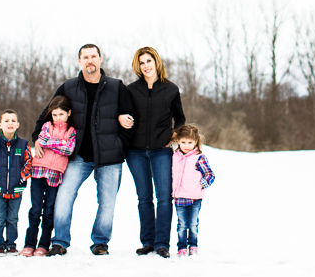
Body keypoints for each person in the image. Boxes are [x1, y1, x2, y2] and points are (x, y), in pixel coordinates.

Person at [31, 43, 135, 256]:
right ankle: (59, 242)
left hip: (109, 157)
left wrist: (120, 145)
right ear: (79, 61)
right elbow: (48, 112)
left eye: (93, 56)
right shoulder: (69, 87)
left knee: (107, 204)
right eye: (85, 57)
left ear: (100, 59)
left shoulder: (117, 87)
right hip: (77, 156)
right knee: (64, 197)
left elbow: (131, 120)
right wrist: (36, 138)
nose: (90, 60)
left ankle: (100, 242)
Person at [121, 46, 186, 258]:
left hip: (161, 150)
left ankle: (162, 244)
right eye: (141, 62)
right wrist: (121, 118)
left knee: (164, 198)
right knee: (144, 198)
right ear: (137, 66)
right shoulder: (131, 90)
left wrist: (174, 135)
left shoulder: (171, 89)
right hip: (136, 151)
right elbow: (123, 114)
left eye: (149, 60)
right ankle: (147, 242)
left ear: (156, 62)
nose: (146, 65)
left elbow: (180, 118)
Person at [20, 96, 76, 257]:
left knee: (49, 210)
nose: (57, 117)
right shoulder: (46, 126)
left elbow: (69, 150)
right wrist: (60, 143)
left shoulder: (71, 131)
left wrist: (51, 142)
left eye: (61, 114)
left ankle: (43, 245)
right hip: (38, 171)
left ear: (68, 113)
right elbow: (42, 140)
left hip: (55, 174)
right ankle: (29, 244)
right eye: (54, 114)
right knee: (35, 209)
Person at [0, 109, 33, 256]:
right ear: (0, 125)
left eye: (13, 121)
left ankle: (11, 244)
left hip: (16, 190)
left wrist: (21, 178)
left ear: (17, 124)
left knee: (12, 218)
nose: (10, 123)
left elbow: (29, 162)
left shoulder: (23, 144)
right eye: (6, 120)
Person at [171, 124, 215, 258]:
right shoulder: (174, 156)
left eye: (190, 142)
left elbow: (209, 175)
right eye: (183, 142)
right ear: (178, 141)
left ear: (196, 142)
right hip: (179, 197)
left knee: (193, 223)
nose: (186, 145)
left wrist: (200, 185)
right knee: (182, 224)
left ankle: (193, 246)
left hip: (195, 198)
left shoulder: (199, 157)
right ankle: (182, 247)